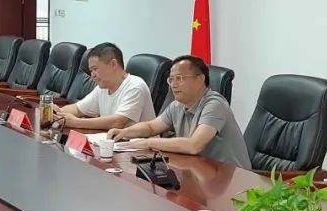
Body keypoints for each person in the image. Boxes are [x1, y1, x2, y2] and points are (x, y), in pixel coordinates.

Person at [108, 55, 251, 169]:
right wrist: (124, 132)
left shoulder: (215, 104)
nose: (173, 85)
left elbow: (194, 145)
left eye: (179, 78)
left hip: (233, 180)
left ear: (200, 79)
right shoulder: (177, 105)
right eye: (171, 80)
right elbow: (151, 127)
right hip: (200, 170)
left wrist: (148, 143)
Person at [55, 42, 155, 131]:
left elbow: (118, 122)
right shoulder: (102, 88)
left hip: (142, 145)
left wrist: (77, 122)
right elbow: (78, 109)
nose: (92, 75)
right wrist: (54, 113)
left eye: (95, 69)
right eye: (91, 71)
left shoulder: (135, 86)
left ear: (113, 64)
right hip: (114, 142)